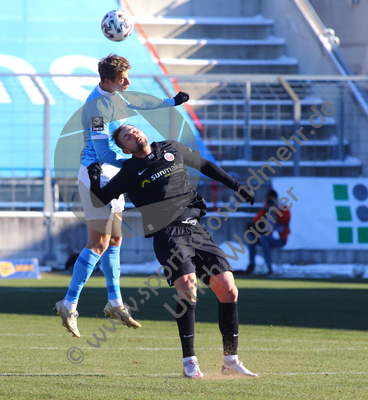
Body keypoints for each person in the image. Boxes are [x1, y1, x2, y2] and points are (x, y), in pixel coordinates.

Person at [87, 124, 258, 378]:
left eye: (134, 130)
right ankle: (189, 361)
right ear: (125, 148)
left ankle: (230, 359)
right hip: (168, 234)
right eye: (127, 136)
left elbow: (205, 165)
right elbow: (100, 198)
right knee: (188, 288)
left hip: (196, 229)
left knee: (229, 289)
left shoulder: (172, 148)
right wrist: (93, 176)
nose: (134, 135)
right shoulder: (129, 170)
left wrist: (236, 185)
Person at [54, 54, 190, 338]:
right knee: (98, 242)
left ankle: (115, 302)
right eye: (122, 79)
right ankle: (69, 303)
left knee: (115, 240)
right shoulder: (96, 110)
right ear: (106, 81)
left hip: (115, 173)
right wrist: (138, 162)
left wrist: (170, 102)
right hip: (98, 174)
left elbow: (139, 101)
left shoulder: (116, 94)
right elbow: (103, 154)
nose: (127, 82)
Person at [244, 189, 290, 275]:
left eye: (273, 199)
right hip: (266, 236)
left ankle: (268, 266)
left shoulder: (283, 207)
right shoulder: (266, 209)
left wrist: (275, 209)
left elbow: (285, 220)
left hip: (279, 239)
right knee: (251, 238)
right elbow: (256, 221)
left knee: (264, 239)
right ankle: (251, 265)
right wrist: (264, 209)